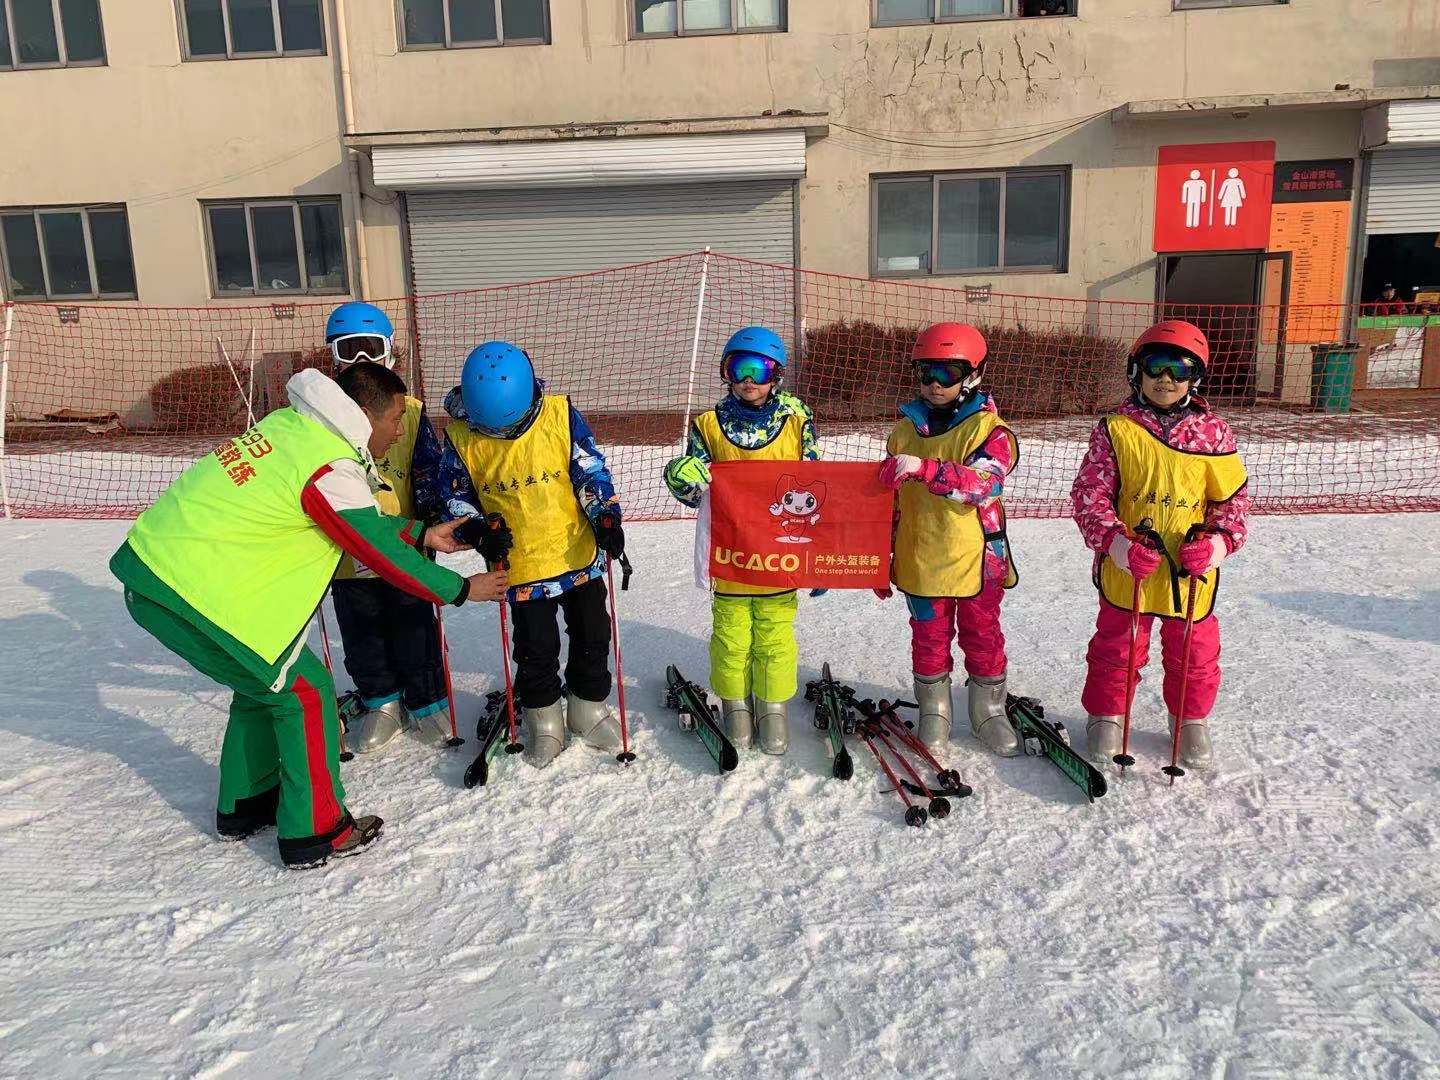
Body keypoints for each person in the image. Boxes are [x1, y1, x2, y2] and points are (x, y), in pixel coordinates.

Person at [109, 364, 508, 869]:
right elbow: (373, 550)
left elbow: (350, 519)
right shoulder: (330, 463)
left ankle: (247, 804)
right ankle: (317, 831)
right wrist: (459, 588)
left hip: (163, 576)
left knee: (265, 686)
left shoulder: (292, 428)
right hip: (186, 590)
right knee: (305, 692)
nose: (401, 430)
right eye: (395, 420)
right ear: (365, 416)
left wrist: (421, 534)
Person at [1070, 320, 1250, 769]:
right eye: (1155, 367)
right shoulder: (1116, 429)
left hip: (1188, 573)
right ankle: (1108, 715)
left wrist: (1215, 546)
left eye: (1179, 369)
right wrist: (1115, 544)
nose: (1166, 379)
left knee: (1194, 649)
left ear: (1195, 377)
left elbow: (1231, 503)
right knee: (1118, 645)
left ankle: (1190, 720)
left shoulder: (1213, 434)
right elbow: (1089, 495)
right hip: (1131, 565)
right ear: (1137, 372)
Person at [436, 341, 624, 768]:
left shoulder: (559, 415)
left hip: (576, 553)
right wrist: (478, 532)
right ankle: (545, 720)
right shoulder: (463, 438)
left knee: (593, 632)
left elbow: (589, 470)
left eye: (511, 424)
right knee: (536, 648)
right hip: (520, 566)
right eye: (492, 429)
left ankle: (587, 708)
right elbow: (455, 498)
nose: (501, 435)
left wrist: (606, 517)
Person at [321, 302, 484, 754]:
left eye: (370, 350)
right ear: (333, 357)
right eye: (349, 350)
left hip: (405, 546)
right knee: (362, 630)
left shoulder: (408, 412)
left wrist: (435, 516)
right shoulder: (319, 415)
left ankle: (428, 702)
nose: (361, 363)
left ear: (390, 353)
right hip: (347, 554)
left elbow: (428, 470)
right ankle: (382, 703)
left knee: (415, 627)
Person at [663, 327, 818, 754]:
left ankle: (771, 708)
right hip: (731, 555)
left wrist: (820, 554)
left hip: (780, 554)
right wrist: (682, 477)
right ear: (725, 373)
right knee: (730, 637)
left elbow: (817, 485)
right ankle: (736, 707)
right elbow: (697, 490)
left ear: (777, 375)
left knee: (775, 635)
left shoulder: (797, 421)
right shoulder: (709, 425)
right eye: (738, 369)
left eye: (760, 369)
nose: (749, 380)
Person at [877, 323, 1019, 754]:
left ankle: (988, 710)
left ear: (973, 374)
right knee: (929, 634)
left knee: (982, 632)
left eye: (947, 373)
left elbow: (982, 484)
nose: (934, 385)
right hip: (920, 554)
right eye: (926, 373)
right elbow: (888, 503)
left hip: (978, 557)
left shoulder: (991, 432)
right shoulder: (904, 432)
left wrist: (925, 469)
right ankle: (934, 710)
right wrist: (875, 557)